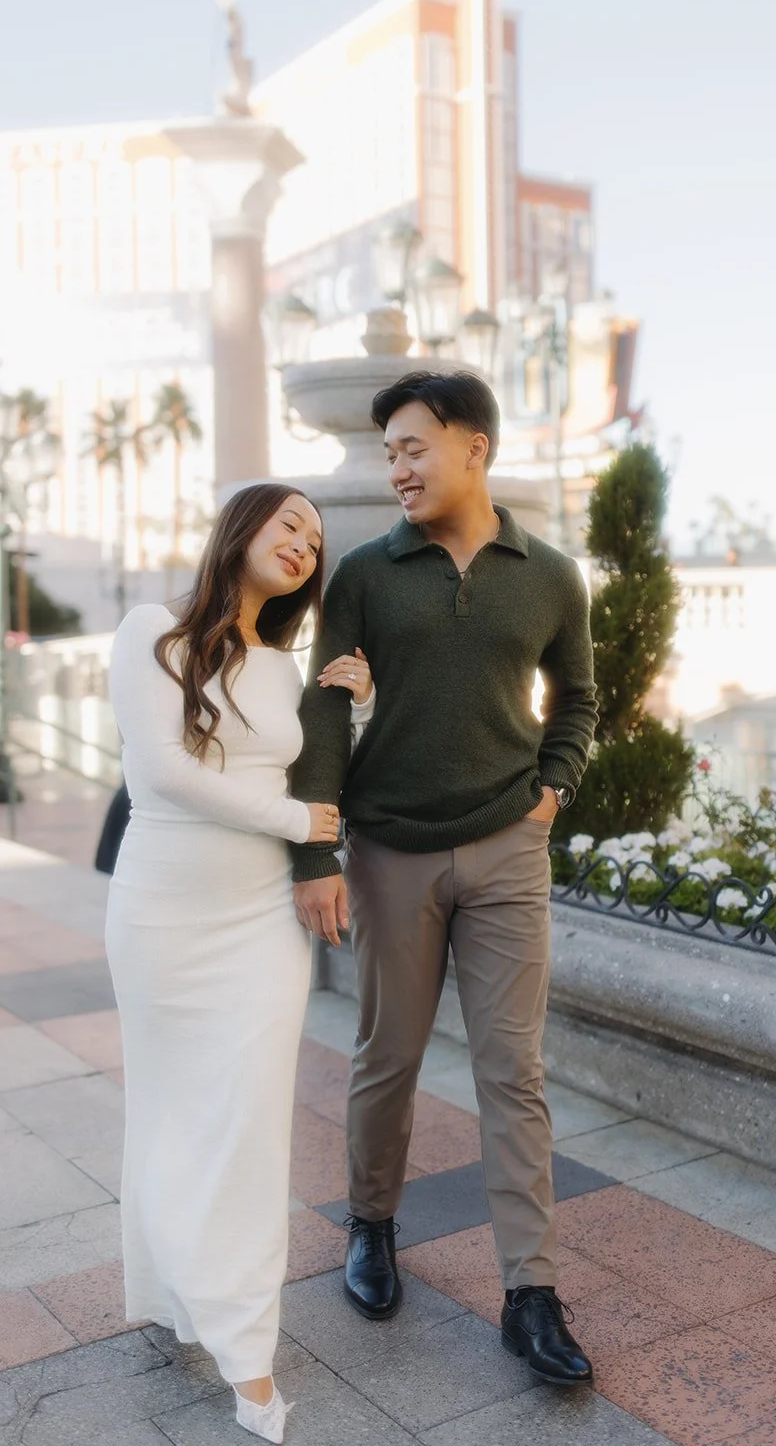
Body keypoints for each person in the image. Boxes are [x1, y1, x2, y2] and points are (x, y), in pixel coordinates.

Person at [289, 370, 599, 1388]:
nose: (398, 467)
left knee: (514, 1070)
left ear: (475, 445)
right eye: (387, 453)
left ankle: (531, 1293)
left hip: (509, 846)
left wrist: (550, 793)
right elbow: (325, 711)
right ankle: (371, 1227)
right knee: (387, 1053)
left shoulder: (550, 574)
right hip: (387, 848)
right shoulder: (366, 577)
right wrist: (314, 848)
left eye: (413, 446)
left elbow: (578, 703)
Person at [105, 483, 372, 1444]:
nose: (304, 543)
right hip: (162, 913)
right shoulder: (152, 630)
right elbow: (164, 768)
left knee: (249, 1126)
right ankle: (182, 1292)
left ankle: (247, 1355)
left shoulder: (288, 669)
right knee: (173, 1114)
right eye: (289, 523)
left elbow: (321, 782)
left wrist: (356, 708)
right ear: (242, 527)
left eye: (315, 536)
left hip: (261, 921)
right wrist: (295, 821)